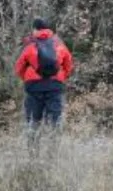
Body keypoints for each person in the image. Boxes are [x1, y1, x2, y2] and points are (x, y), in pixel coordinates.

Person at [14, 18, 73, 156]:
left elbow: (18, 67)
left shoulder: (29, 45)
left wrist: (27, 79)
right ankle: (53, 154)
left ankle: (33, 154)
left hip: (34, 87)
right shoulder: (59, 44)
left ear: (35, 29)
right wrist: (60, 77)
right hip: (54, 86)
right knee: (55, 121)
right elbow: (68, 64)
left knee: (33, 122)